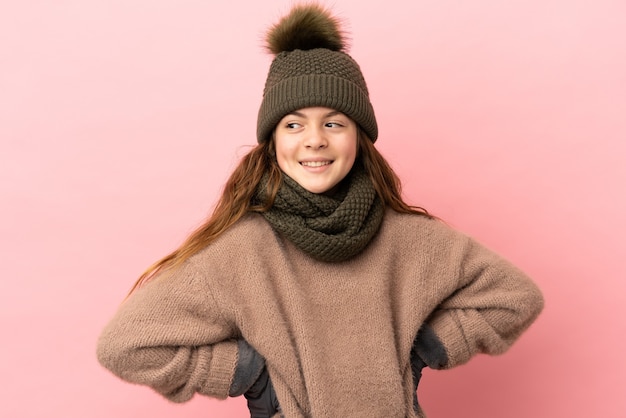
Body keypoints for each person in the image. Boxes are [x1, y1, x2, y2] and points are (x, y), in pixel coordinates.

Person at [96, 3, 544, 417]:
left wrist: (420, 348)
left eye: (334, 122)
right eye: (294, 124)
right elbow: (126, 345)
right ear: (273, 140)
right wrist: (252, 375)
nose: (315, 140)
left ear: (359, 136)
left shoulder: (413, 240)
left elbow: (515, 298)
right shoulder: (241, 252)